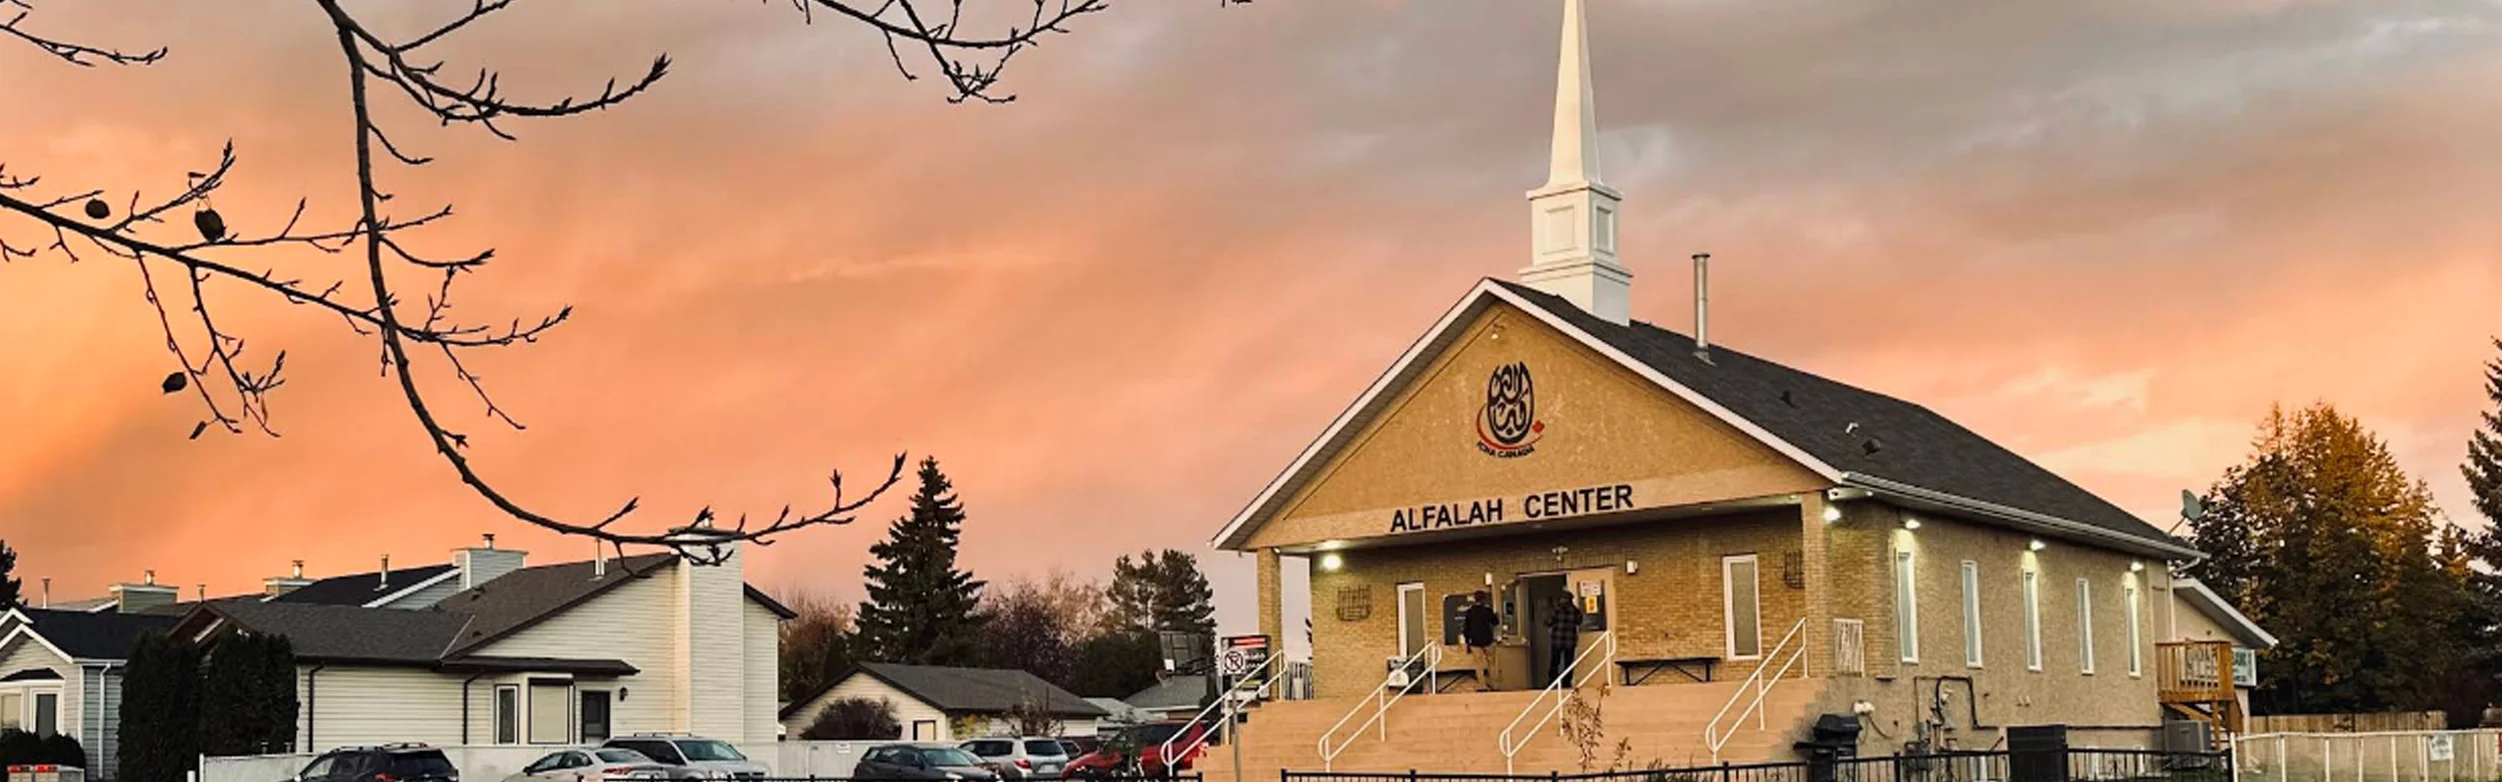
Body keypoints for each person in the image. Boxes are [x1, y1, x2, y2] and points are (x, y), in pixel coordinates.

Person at [1461, 590, 1499, 690]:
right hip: (1488, 640)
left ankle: (1482, 685)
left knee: (1479, 664)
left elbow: (1466, 628)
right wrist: (1496, 614)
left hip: (1475, 641)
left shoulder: (1470, 612)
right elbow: (1496, 622)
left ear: (1475, 599)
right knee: (1491, 663)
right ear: (1484, 599)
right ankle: (1494, 685)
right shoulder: (1487, 610)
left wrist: (1467, 640)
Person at [1548, 594, 1584, 687]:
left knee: (1555, 662)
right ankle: (1567, 682)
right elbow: (1579, 621)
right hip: (1570, 640)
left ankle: (1552, 681)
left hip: (1557, 639)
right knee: (1568, 662)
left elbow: (1548, 622)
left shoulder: (1556, 610)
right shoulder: (1575, 610)